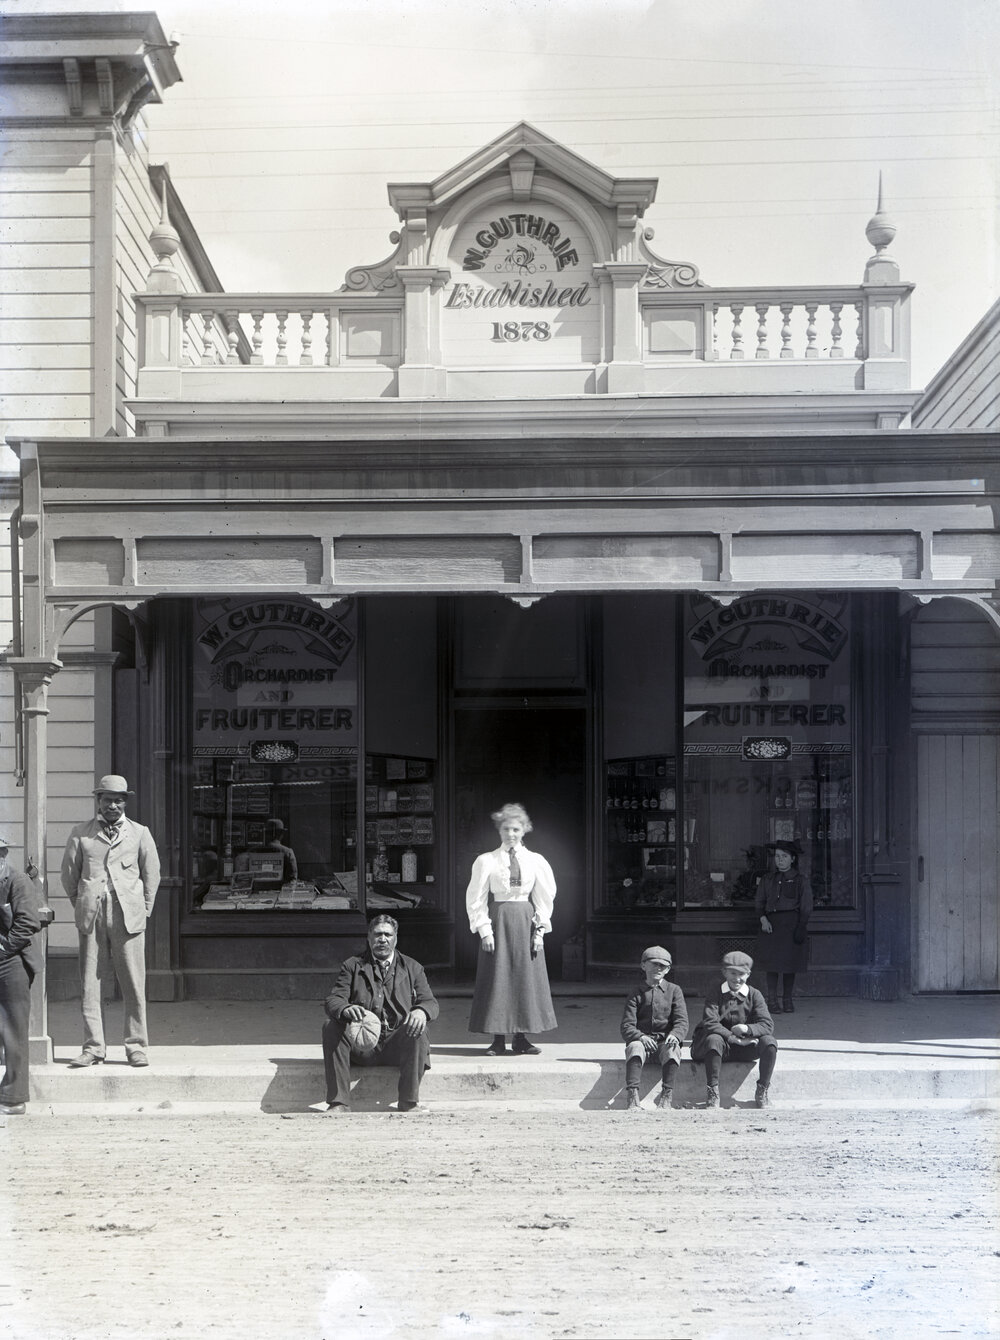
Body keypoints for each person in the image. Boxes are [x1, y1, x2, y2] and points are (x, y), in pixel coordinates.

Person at [60, 775, 161, 1068]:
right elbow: (69, 877)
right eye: (107, 799)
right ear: (99, 801)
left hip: (127, 915)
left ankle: (136, 1046)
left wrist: (143, 910)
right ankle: (93, 1048)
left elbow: (151, 875)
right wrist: (83, 905)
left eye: (118, 800)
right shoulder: (81, 834)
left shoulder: (140, 833)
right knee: (91, 982)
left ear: (125, 802)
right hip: (92, 915)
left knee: (133, 981)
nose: (113, 805)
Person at [316, 914, 439, 1113]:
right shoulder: (352, 965)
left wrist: (421, 1011)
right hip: (360, 1046)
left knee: (419, 1029)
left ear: (395, 938)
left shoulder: (413, 967)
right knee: (330, 1026)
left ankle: (409, 1102)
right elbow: (333, 1000)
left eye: (387, 935)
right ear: (369, 937)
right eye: (377, 934)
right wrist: (345, 1009)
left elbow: (430, 1002)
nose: (382, 939)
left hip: (395, 1047)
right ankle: (339, 1102)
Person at [466, 802, 557, 1056]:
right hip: (499, 920)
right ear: (499, 830)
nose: (511, 834)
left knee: (524, 978)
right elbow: (476, 897)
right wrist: (485, 929)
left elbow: (544, 897)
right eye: (506, 829)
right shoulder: (487, 861)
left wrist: (539, 931)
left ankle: (521, 1038)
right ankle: (497, 1039)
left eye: (516, 829)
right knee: (498, 977)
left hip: (525, 920)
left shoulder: (536, 861)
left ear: (525, 830)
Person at [690, 951, 777, 1109]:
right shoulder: (716, 992)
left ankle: (762, 1090)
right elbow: (710, 1021)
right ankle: (713, 1092)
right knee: (713, 1039)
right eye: (732, 973)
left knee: (770, 1043)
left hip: (746, 1045)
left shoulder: (754, 995)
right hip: (721, 1047)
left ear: (748, 974)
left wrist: (747, 1028)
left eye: (742, 974)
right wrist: (730, 1036)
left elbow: (767, 1024)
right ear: (724, 972)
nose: (737, 978)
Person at [0, 836, 44, 1115]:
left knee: (14, 1029)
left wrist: (2, 948)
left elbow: (28, 922)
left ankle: (14, 1098)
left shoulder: (17, 882)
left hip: (12, 961)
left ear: (3, 854)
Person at [620, 945, 688, 1112]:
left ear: (668, 969)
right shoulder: (636, 992)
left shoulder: (674, 990)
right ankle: (633, 1097)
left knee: (673, 1049)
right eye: (653, 964)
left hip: (664, 1043)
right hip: (643, 1044)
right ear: (643, 966)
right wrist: (641, 1037)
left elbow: (682, 1021)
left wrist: (675, 1035)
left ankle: (666, 1096)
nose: (658, 968)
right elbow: (627, 1025)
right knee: (634, 1047)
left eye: (662, 966)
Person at [755, 839, 812, 1013]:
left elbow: (806, 905)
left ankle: (787, 1000)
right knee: (771, 965)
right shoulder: (767, 879)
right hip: (771, 925)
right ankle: (772, 1001)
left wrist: (801, 926)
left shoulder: (800, 880)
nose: (780, 860)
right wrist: (763, 919)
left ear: (793, 858)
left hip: (791, 926)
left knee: (789, 964)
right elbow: (759, 902)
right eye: (777, 856)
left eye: (784, 856)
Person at [235, 818, 298, 883]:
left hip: (256, 891)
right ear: (281, 834)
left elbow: (243, 877)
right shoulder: (288, 852)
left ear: (265, 833)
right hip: (279, 892)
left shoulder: (252, 851)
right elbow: (292, 879)